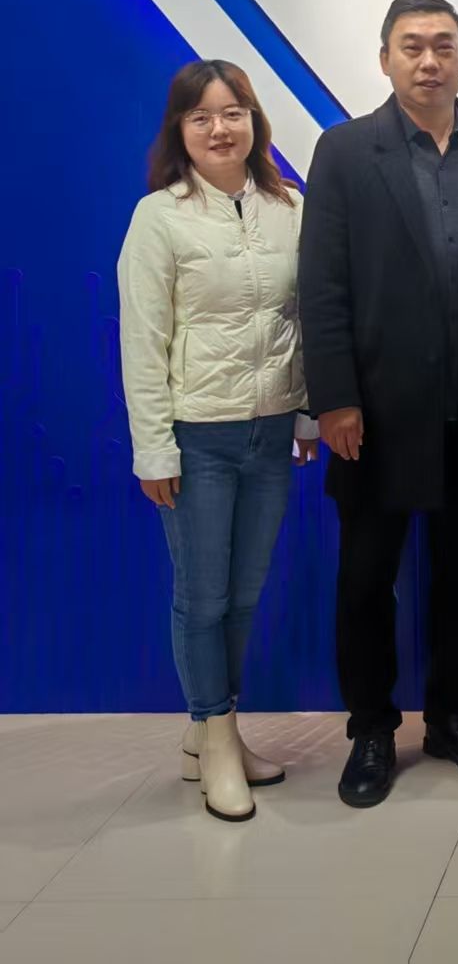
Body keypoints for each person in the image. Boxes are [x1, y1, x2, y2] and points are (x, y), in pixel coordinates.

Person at [299, 0, 458, 808]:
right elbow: (322, 285)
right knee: (367, 577)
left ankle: (450, 717)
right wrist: (335, 397)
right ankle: (370, 727)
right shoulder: (344, 151)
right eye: (411, 46)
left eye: (443, 45)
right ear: (385, 59)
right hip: (377, 414)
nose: (428, 61)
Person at [118, 59, 318, 822]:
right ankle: (218, 738)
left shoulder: (288, 207)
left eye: (233, 111)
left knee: (244, 593)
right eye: (200, 116)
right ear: (180, 129)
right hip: (196, 435)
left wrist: (306, 411)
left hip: (271, 431)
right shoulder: (159, 217)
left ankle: (207, 735)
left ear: (254, 120)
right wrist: (153, 448)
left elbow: (305, 319)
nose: (219, 128)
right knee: (202, 596)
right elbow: (143, 341)